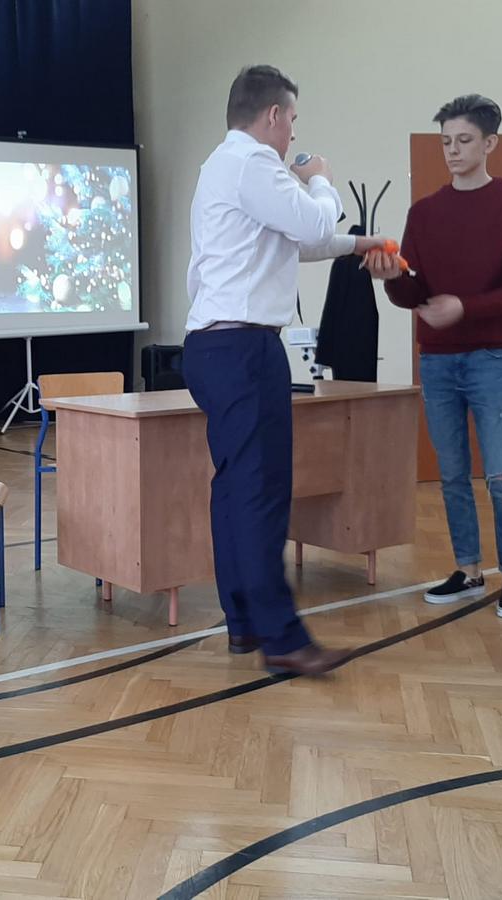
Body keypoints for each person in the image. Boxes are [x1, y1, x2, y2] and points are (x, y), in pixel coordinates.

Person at [182, 65, 390, 676]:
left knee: (234, 489)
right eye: (292, 119)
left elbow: (299, 242)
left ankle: (245, 623)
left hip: (214, 347)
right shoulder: (255, 162)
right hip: (246, 350)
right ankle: (282, 639)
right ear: (273, 114)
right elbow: (314, 220)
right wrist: (320, 177)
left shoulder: (222, 164)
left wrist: (360, 244)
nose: (294, 133)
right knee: (263, 494)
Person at [365, 94, 502, 620]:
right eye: (446, 141)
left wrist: (464, 307)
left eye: (464, 140)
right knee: (451, 474)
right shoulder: (424, 212)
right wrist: (391, 278)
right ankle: (468, 570)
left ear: (490, 143)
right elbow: (413, 292)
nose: (453, 150)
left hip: (492, 359)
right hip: (438, 360)